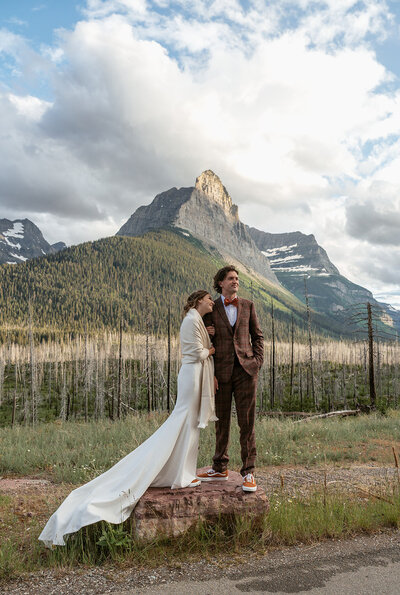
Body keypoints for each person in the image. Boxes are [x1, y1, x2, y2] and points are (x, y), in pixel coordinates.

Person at [39, 290, 217, 547]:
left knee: (188, 426)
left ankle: (183, 471)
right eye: (209, 298)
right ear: (199, 300)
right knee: (183, 423)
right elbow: (195, 354)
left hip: (192, 376)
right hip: (191, 376)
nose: (212, 301)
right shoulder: (190, 320)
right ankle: (177, 473)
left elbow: (196, 343)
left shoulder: (195, 320)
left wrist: (206, 339)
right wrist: (210, 350)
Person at [198, 266, 264, 492]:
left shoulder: (248, 305)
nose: (235, 281)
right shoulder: (211, 307)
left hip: (246, 372)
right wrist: (211, 373)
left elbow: (258, 336)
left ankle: (249, 473)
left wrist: (256, 363)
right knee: (221, 421)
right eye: (230, 278)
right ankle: (219, 467)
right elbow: (203, 338)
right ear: (220, 283)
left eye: (237, 278)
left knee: (247, 423)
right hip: (221, 374)